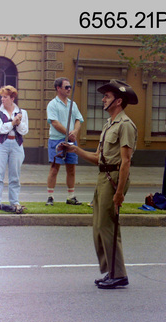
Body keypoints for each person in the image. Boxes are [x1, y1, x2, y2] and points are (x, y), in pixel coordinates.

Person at [61, 79, 138, 289]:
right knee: (99, 227)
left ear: (118, 100)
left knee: (107, 227)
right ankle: (112, 271)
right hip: (103, 177)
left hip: (114, 179)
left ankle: (119, 274)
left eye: (107, 96)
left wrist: (119, 192)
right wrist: (74, 149)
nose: (103, 99)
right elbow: (98, 157)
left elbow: (126, 161)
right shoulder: (108, 125)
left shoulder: (125, 126)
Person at [45, 77, 85, 206]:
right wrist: (68, 133)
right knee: (54, 168)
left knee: (71, 168)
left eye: (69, 87)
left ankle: (71, 196)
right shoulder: (52, 104)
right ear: (58, 88)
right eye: (66, 87)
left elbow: (79, 119)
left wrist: (75, 132)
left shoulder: (73, 104)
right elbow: (54, 123)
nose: (69, 89)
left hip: (71, 140)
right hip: (57, 140)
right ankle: (50, 197)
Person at [0, 85, 28, 213]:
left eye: (5, 97)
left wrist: (18, 123)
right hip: (1, 144)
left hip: (16, 144)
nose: (2, 99)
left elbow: (24, 130)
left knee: (15, 175)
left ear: (12, 98)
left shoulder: (22, 113)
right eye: (2, 97)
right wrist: (12, 123)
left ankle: (14, 201)